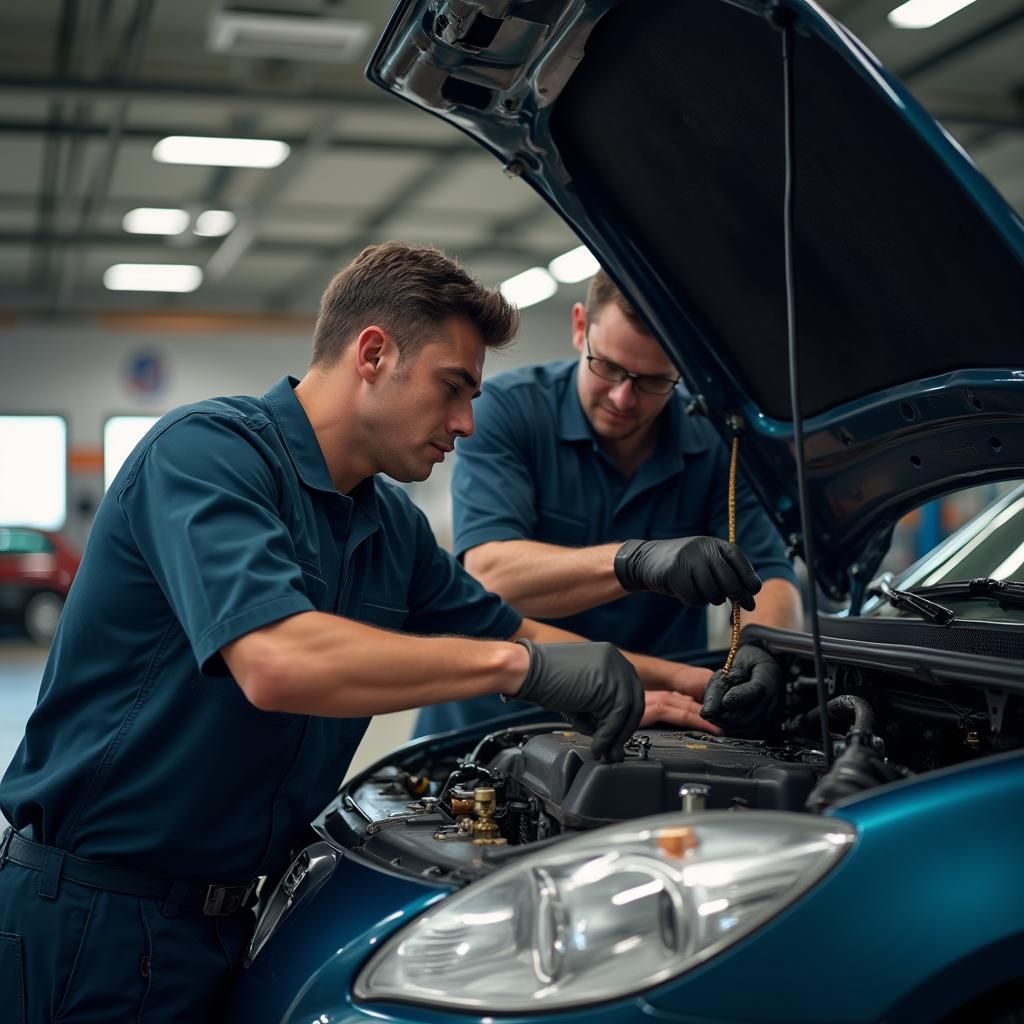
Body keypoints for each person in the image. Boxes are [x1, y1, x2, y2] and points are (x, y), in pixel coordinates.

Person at [0, 243, 762, 1023]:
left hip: (230, 923)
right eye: (453, 387)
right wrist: (518, 668)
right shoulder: (208, 455)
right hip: (96, 919)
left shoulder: (386, 522)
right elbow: (278, 658)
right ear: (373, 353)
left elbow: (509, 626)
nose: (466, 422)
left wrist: (695, 686)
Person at [415, 269, 803, 741]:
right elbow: (492, 572)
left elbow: (768, 576)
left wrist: (763, 648)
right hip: (494, 724)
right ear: (580, 327)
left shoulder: (719, 442)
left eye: (653, 381)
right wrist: (637, 562)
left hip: (654, 720)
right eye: (609, 368)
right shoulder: (507, 411)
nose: (624, 397)